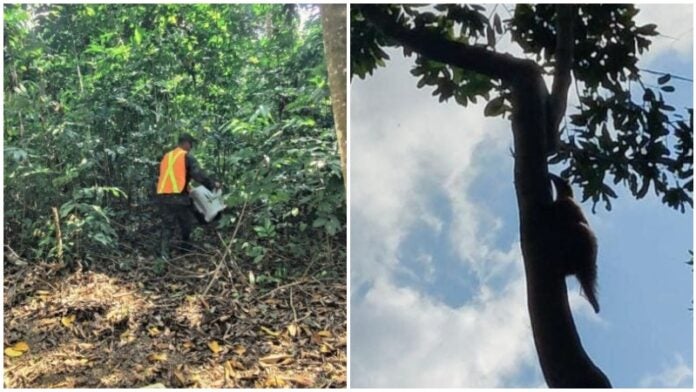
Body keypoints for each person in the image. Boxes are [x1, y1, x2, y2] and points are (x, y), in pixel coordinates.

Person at [156, 133, 219, 259]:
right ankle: (184, 248)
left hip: (164, 196)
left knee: (167, 225)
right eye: (191, 144)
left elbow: (172, 176)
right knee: (186, 223)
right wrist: (213, 185)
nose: (191, 147)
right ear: (185, 143)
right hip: (179, 198)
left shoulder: (167, 156)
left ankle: (164, 254)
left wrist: (187, 186)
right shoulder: (186, 157)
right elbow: (198, 175)